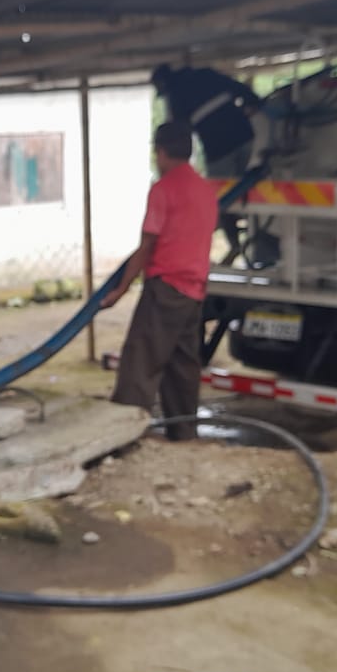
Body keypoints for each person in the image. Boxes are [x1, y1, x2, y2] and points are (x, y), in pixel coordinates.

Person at [102, 122, 218, 441]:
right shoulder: (206, 190)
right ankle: (184, 431)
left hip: (166, 287)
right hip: (194, 291)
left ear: (161, 152)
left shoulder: (163, 189)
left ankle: (121, 434)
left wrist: (119, 290)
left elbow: (147, 245)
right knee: (182, 365)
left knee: (140, 361)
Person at [151, 63, 270, 255]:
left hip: (219, 150)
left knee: (222, 197)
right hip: (245, 137)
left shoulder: (176, 98)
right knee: (248, 189)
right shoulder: (206, 74)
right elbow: (238, 87)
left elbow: (178, 134)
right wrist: (252, 103)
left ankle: (235, 243)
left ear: (164, 85)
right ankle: (258, 237)